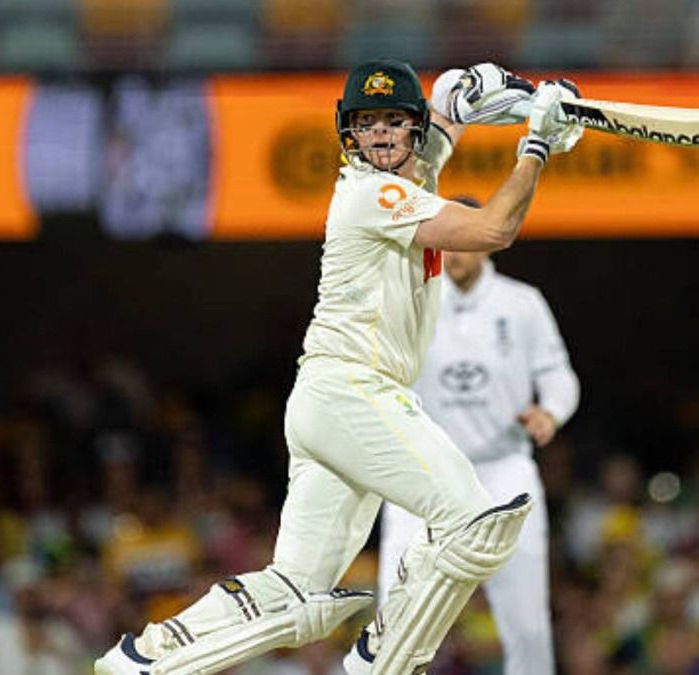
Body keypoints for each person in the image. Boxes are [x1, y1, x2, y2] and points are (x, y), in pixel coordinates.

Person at [95, 59, 584, 675]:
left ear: (410, 129)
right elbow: (492, 228)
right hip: (356, 390)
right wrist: (536, 144)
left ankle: (147, 658)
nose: (379, 134)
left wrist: (459, 100)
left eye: (392, 122)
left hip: (330, 400)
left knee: (297, 592)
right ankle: (384, 658)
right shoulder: (373, 193)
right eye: (365, 123)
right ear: (348, 134)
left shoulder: (408, 176)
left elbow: (433, 144)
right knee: (472, 524)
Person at [377, 224, 580, 675]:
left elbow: (558, 374)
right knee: (397, 607)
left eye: (463, 243)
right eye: (443, 244)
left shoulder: (521, 303)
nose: (452, 254)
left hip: (503, 469)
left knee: (526, 619)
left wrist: (551, 411)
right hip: (424, 472)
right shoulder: (410, 300)